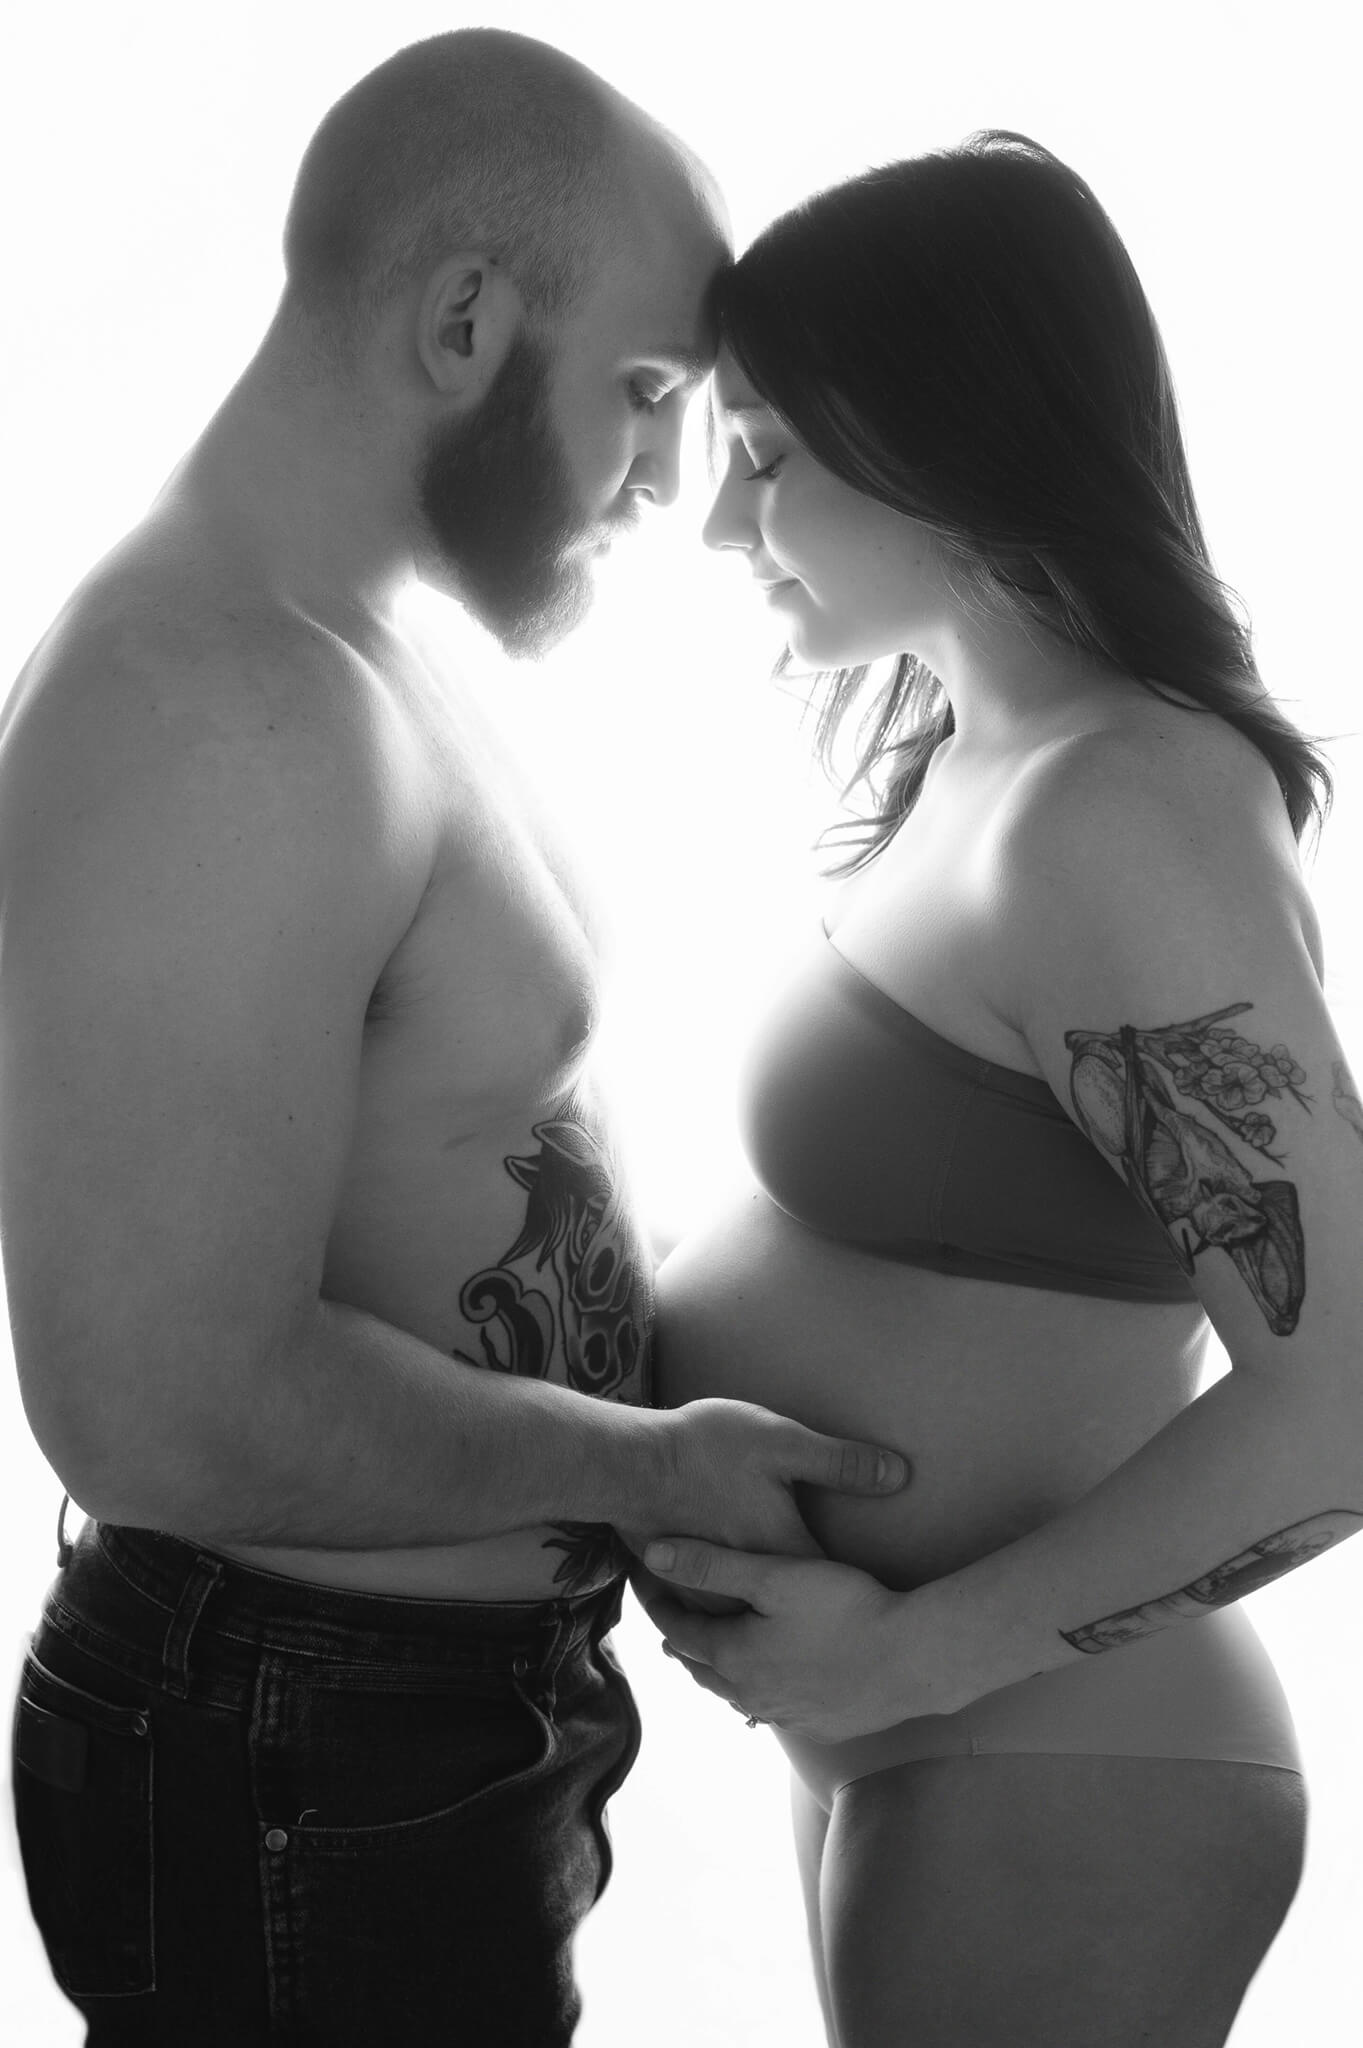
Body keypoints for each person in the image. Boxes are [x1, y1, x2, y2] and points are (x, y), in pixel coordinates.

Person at [0, 31, 910, 2046]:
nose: (677, 488)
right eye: (652, 397)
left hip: (384, 1732)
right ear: (466, 318)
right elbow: (154, 1401)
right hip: (300, 1749)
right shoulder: (213, 704)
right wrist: (641, 1460)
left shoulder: (363, 658)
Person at [637, 132, 1363, 2047]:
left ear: (941, 434)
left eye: (769, 454)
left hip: (1052, 1756)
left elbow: (1356, 1383)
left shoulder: (1114, 806)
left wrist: (910, 1656)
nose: (720, 526)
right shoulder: (980, 755)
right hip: (941, 1737)